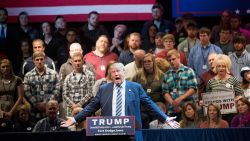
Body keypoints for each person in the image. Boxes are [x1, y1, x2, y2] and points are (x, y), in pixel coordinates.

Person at [61, 62, 180, 141]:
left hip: (131, 133)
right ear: (110, 75)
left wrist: (165, 118)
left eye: (118, 71)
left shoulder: (135, 87)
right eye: (113, 72)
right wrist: (75, 119)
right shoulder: (104, 89)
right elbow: (91, 107)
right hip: (110, 133)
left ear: (124, 72)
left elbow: (149, 104)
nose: (116, 73)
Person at [162, 49, 198, 121]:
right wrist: (173, 104)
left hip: (188, 107)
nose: (171, 61)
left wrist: (180, 98)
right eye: (169, 60)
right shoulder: (166, 74)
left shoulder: (188, 71)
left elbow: (193, 88)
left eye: (173, 59)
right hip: (173, 109)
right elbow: (165, 92)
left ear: (179, 58)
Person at [24, 52, 60, 122]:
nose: (39, 62)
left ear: (44, 60)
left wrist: (46, 104)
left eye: (41, 59)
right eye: (37, 60)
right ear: (34, 61)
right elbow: (27, 91)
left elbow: (57, 89)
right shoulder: (28, 75)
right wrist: (36, 104)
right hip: (34, 109)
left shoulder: (53, 73)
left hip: (51, 109)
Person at [132, 53, 165, 128]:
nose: (147, 63)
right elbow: (132, 90)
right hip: (142, 104)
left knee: (158, 109)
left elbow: (166, 92)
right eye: (145, 62)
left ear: (153, 62)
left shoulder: (161, 75)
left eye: (149, 61)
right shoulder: (138, 75)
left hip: (157, 103)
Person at [63, 52, 95, 117]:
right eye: (75, 61)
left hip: (86, 108)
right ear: (72, 62)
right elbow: (65, 94)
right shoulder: (68, 77)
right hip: (71, 110)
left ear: (83, 61)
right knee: (72, 127)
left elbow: (91, 92)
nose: (77, 63)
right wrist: (73, 105)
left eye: (79, 61)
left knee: (85, 127)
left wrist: (79, 104)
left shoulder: (90, 75)